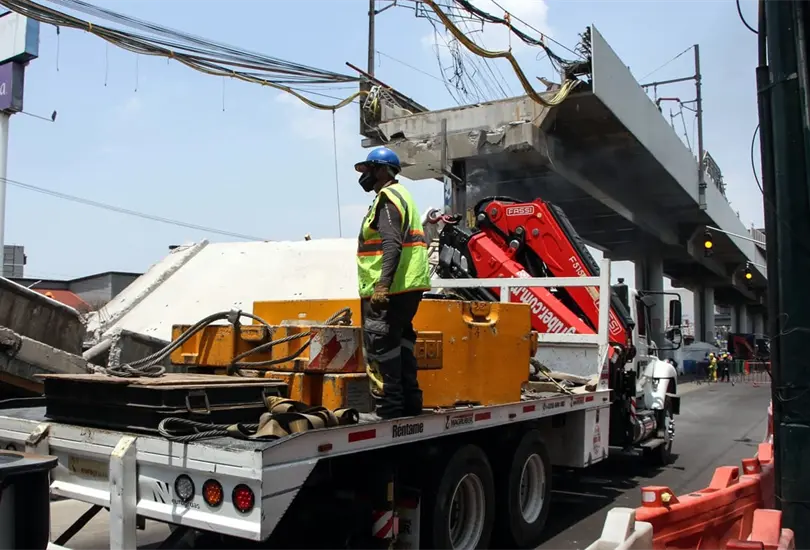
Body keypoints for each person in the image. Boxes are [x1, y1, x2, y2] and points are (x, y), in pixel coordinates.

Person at [354, 147, 431, 421]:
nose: (365, 176)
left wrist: (382, 285)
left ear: (382, 170)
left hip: (392, 289)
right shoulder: (403, 196)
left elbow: (391, 243)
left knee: (380, 345)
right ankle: (410, 404)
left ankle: (387, 409)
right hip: (407, 288)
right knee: (402, 343)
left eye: (369, 169)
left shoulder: (388, 199)